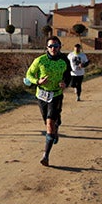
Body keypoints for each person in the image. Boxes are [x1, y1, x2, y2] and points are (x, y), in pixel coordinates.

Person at [24, 36, 72, 167]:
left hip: (56, 94)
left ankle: (45, 155)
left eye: (56, 46)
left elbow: (68, 75)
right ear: (47, 48)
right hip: (42, 95)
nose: (53, 49)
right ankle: (55, 127)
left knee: (50, 123)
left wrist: (65, 83)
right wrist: (37, 81)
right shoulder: (40, 60)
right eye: (50, 46)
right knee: (47, 122)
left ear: (60, 47)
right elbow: (29, 75)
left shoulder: (64, 60)